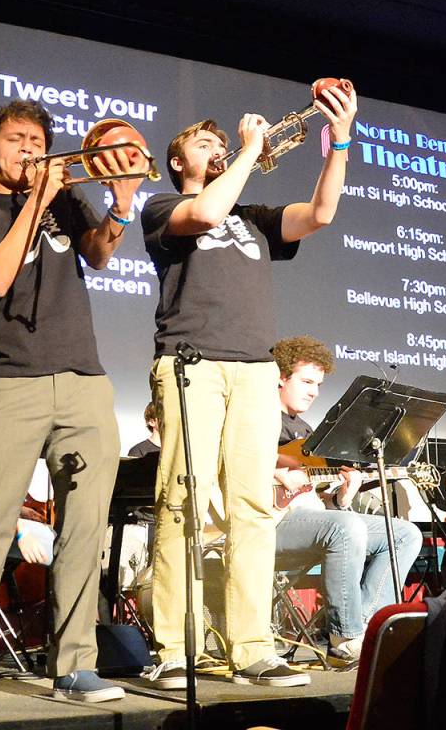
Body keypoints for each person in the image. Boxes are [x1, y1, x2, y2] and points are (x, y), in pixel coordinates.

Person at [0, 99, 144, 710]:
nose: (31, 150)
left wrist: (120, 203)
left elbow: (97, 253)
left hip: (83, 380)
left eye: (39, 139)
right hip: (8, 382)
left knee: (85, 526)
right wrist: (36, 203)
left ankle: (74, 666)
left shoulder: (67, 201)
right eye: (17, 140)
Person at [142, 80, 357, 689]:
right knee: (184, 504)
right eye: (202, 144)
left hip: (257, 369)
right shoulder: (161, 207)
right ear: (178, 161)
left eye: (220, 144)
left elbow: (321, 214)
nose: (215, 149)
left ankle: (252, 647)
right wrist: (244, 150)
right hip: (193, 363)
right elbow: (206, 211)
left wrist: (338, 139)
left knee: (252, 510)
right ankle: (176, 648)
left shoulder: (254, 218)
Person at [270, 336, 422, 665]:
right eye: (306, 381)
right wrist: (276, 472)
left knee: (405, 533)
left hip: (309, 522)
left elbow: (315, 502)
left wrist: (342, 496)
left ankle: (369, 626)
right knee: (345, 527)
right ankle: (344, 636)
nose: (313, 391)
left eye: (319, 384)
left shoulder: (307, 432)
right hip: (269, 524)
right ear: (281, 377)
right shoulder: (256, 421)